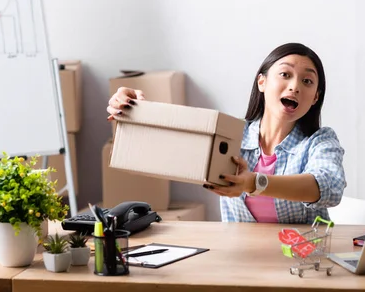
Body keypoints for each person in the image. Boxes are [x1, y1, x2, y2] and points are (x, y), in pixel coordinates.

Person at [106, 42, 347, 224]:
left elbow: (328, 187)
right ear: (261, 82)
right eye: (285, 74)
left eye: (307, 81)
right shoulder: (230, 136)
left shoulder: (320, 141)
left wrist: (253, 182)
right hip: (238, 261)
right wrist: (133, 113)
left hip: (301, 265)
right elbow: (165, 152)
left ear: (315, 97)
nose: (295, 86)